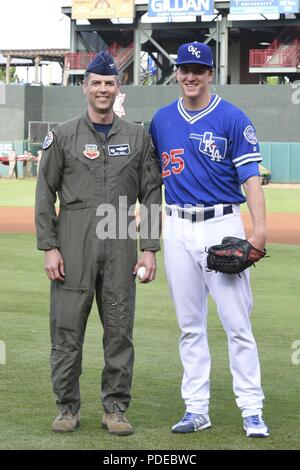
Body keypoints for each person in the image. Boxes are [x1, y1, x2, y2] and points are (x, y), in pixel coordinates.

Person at [35, 51, 162, 435]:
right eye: (96, 83)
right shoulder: (63, 135)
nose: (103, 89)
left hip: (121, 237)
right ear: (85, 87)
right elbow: (44, 193)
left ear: (117, 88)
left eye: (110, 83)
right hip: (74, 240)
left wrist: (150, 247)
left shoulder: (138, 137)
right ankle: (67, 408)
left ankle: (115, 409)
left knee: (120, 331)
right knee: (67, 331)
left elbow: (152, 194)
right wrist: (50, 247)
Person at [149, 42, 269, 438]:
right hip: (178, 226)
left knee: (237, 324)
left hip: (222, 224)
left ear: (210, 74)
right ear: (178, 72)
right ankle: (196, 408)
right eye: (184, 68)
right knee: (189, 326)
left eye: (198, 69)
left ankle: (252, 409)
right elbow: (149, 178)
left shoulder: (232, 117)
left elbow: (251, 177)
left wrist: (259, 230)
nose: (190, 76)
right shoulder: (161, 120)